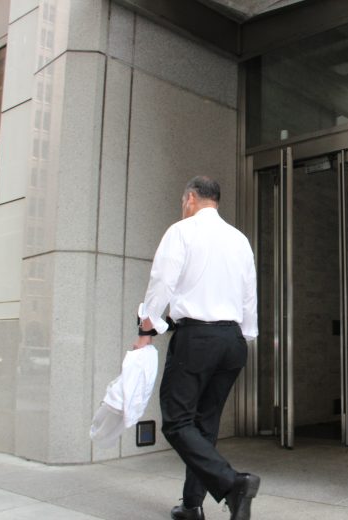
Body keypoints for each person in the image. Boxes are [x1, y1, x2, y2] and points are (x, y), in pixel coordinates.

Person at [133, 176, 259, 520]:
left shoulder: (182, 231)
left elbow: (162, 282)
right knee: (205, 425)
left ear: (190, 198)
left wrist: (146, 328)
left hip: (197, 339)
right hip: (233, 342)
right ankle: (192, 506)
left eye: (182, 202)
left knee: (176, 421)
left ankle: (233, 483)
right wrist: (245, 335)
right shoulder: (239, 239)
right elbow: (249, 294)